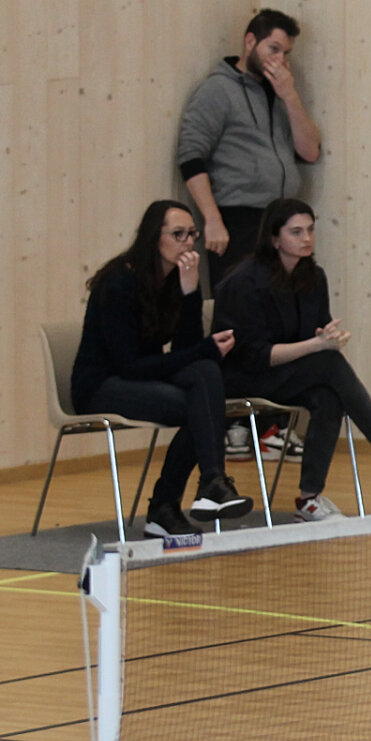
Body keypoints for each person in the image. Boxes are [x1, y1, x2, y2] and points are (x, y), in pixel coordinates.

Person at [215, 198, 371, 521]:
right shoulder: (244, 282)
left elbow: (314, 335)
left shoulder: (313, 277)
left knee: (328, 396)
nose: (307, 238)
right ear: (274, 238)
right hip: (242, 377)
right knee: (327, 363)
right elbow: (256, 355)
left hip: (284, 374)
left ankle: (309, 500)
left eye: (310, 230)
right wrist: (317, 346)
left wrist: (327, 338)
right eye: (296, 232)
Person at [177, 8, 322, 461]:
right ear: (249, 42)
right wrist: (211, 219)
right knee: (238, 323)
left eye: (287, 52)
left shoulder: (281, 94)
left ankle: (270, 423)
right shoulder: (217, 91)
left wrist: (290, 95)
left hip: (275, 221)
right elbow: (191, 156)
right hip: (236, 218)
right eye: (273, 48)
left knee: (278, 321)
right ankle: (235, 424)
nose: (280, 59)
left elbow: (309, 150)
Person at [70, 201, 255, 538]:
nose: (188, 242)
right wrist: (205, 349)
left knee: (205, 373)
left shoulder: (174, 278)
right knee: (199, 407)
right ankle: (169, 504)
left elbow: (186, 351)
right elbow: (129, 365)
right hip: (101, 384)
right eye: (178, 234)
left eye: (192, 234)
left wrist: (189, 291)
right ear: (154, 237)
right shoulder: (119, 283)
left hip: (142, 374)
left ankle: (211, 481)